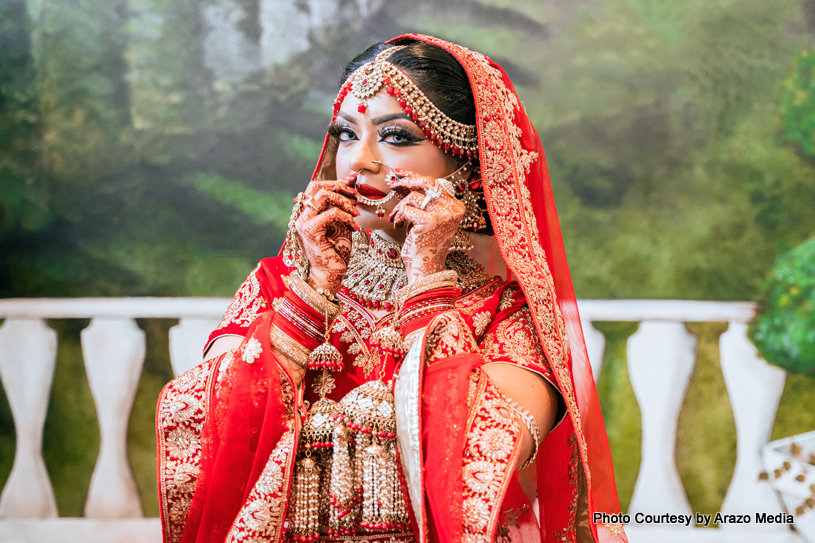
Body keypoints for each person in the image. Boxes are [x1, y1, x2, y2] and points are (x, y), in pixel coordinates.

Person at [156, 34, 627, 543]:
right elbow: (207, 430)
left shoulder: (504, 316)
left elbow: (473, 456)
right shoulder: (277, 288)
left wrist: (427, 280)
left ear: (467, 165)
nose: (360, 161)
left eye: (396, 136)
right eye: (346, 133)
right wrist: (311, 298)